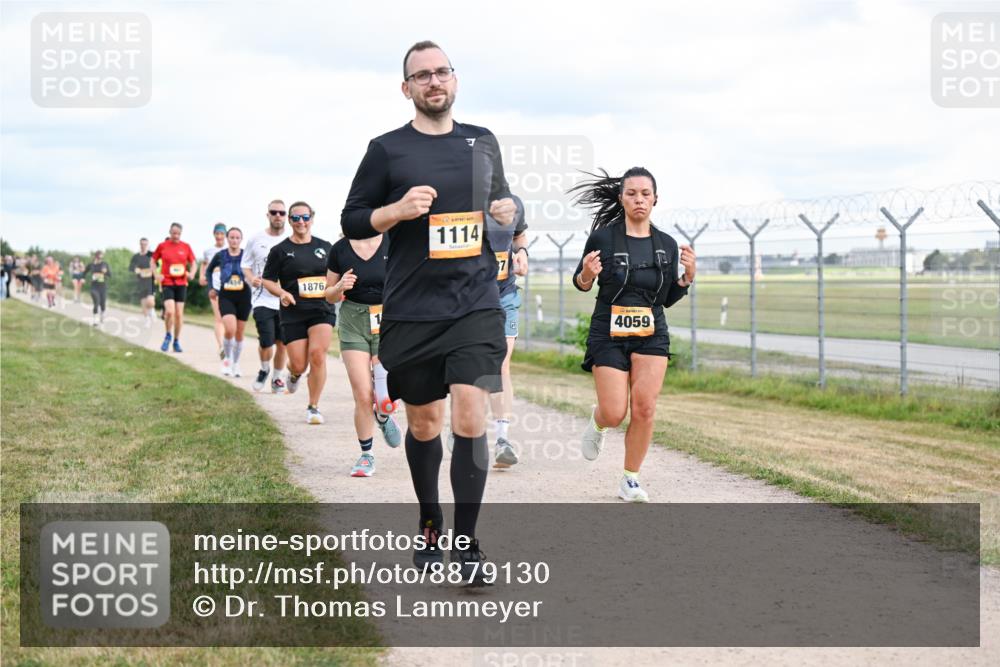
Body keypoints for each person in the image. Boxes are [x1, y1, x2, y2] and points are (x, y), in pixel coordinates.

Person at [341, 40, 516, 579]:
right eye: (423, 76)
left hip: (475, 304)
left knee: (470, 413)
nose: (434, 82)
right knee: (424, 425)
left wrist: (510, 212)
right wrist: (394, 210)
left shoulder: (482, 143)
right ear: (407, 88)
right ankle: (430, 521)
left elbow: (503, 208)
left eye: (442, 72)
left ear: (455, 80)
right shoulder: (386, 149)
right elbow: (353, 220)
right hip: (412, 312)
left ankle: (466, 545)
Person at [570, 167, 696, 502]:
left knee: (645, 408)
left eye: (645, 193)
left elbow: (666, 298)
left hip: (652, 332)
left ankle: (630, 478)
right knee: (615, 412)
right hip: (608, 331)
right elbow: (582, 285)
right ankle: (598, 424)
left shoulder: (666, 245)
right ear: (621, 198)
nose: (639, 199)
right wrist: (586, 273)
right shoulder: (603, 238)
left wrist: (686, 279)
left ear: (655, 199)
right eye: (631, 193)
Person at [324, 232, 402, 477]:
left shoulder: (394, 241)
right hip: (352, 321)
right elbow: (328, 295)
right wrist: (338, 287)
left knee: (383, 399)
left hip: (387, 321)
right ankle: (366, 455)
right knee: (362, 394)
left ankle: (383, 416)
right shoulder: (340, 249)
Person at [261, 202, 335, 424]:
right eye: (295, 218)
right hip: (293, 312)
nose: (301, 222)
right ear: (290, 221)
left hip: (321, 309)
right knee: (299, 364)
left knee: (318, 356)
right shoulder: (280, 250)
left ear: (312, 218)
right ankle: (293, 374)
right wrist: (282, 293)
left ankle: (313, 406)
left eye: (305, 217)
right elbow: (268, 280)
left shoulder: (326, 247)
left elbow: (335, 275)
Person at [242, 200, 290, 393]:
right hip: (262, 298)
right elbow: (245, 264)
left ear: (286, 216)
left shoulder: (291, 239)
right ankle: (264, 369)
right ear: (268, 215)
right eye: (274, 212)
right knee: (266, 341)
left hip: (285, 300)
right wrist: (251, 278)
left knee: (283, 342)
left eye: (281, 213)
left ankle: (277, 378)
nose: (278, 216)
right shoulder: (256, 239)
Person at [207, 227, 252, 377]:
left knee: (239, 332)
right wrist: (211, 288)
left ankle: (236, 363)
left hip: (244, 295)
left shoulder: (246, 255)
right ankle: (227, 359)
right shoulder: (221, 255)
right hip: (226, 295)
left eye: (237, 237)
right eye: (231, 237)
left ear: (241, 239)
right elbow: (209, 270)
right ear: (227, 239)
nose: (234, 240)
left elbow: (255, 270)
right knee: (230, 329)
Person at [152, 223, 198, 352]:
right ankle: (168, 335)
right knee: (170, 311)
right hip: (167, 282)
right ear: (170, 232)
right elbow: (152, 261)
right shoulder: (162, 246)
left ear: (181, 233)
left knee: (179, 314)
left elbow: (194, 263)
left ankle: (176, 341)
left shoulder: (186, 247)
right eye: (174, 233)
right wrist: (156, 274)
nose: (176, 235)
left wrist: (193, 273)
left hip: (181, 283)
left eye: (178, 233)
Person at [200, 222, 228, 359]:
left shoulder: (231, 248)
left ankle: (228, 344)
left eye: (222, 233)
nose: (219, 236)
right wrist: (201, 276)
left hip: (230, 287)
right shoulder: (209, 251)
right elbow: (204, 264)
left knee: (228, 318)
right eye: (217, 233)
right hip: (214, 287)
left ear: (225, 235)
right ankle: (221, 346)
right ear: (214, 234)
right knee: (219, 318)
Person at [128, 238, 156, 327]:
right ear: (140, 245)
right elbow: (131, 267)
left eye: (145, 244)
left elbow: (158, 265)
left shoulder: (152, 255)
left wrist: (154, 270)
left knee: (150, 301)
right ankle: (147, 319)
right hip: (141, 282)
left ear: (148, 245)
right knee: (143, 303)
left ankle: (152, 310)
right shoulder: (136, 257)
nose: (143, 246)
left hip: (150, 281)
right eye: (142, 244)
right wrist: (135, 269)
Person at [84, 250, 111, 326]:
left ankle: (102, 314)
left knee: (103, 304)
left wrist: (105, 272)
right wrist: (82, 278)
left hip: (103, 287)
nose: (100, 259)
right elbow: (84, 272)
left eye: (101, 258)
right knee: (96, 302)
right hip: (94, 287)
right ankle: (95, 320)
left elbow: (110, 274)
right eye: (98, 257)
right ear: (95, 257)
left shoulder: (105, 264)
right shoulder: (91, 265)